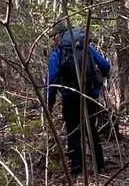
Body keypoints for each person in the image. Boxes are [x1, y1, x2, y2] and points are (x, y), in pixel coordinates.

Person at [44, 23, 112, 175]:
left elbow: (51, 79)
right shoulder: (86, 48)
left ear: (59, 35)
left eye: (54, 37)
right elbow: (105, 66)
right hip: (90, 96)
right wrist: (98, 82)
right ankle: (99, 167)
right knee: (91, 130)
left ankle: (76, 170)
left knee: (73, 133)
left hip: (70, 98)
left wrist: (48, 104)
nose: (53, 40)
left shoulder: (58, 52)